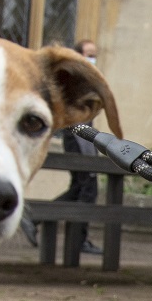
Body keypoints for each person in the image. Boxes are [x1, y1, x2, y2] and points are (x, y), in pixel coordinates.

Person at [21, 39, 103, 254]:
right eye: (88, 54)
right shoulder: (73, 77)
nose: (92, 59)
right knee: (87, 188)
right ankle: (76, 239)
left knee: (80, 187)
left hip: (85, 138)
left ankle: (35, 219)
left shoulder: (88, 79)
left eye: (94, 54)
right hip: (77, 138)